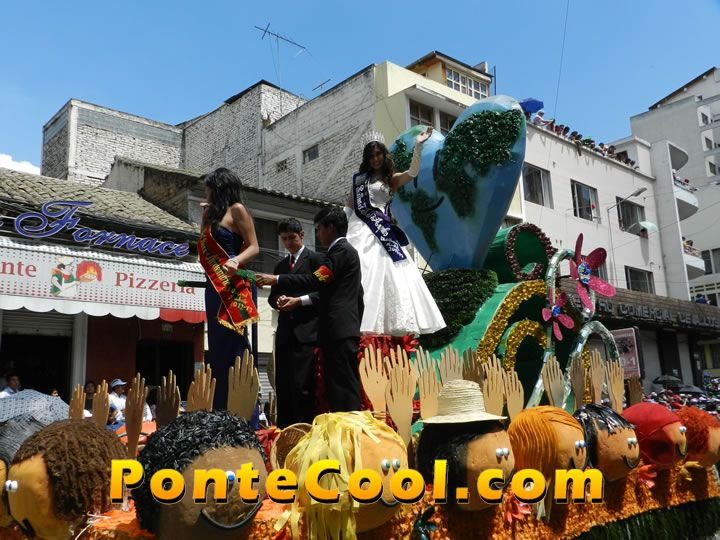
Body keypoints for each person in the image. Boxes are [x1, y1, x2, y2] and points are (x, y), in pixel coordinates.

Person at [256, 207, 364, 412]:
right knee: (333, 385)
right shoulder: (339, 252)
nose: (319, 234)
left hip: (335, 328)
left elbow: (316, 280)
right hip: (331, 329)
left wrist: (277, 280)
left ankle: (349, 424)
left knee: (342, 385)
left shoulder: (340, 252)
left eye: (319, 229)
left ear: (330, 228)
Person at [342, 128, 446, 337]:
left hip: (382, 231)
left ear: (384, 154)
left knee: (390, 274)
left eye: (378, 154)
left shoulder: (392, 180)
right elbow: (350, 206)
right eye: (371, 156)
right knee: (360, 269)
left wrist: (418, 146)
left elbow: (413, 172)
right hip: (359, 229)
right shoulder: (359, 181)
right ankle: (358, 317)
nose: (375, 159)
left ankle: (385, 325)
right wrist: (340, 227)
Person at [199, 167, 260, 410]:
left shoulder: (237, 210)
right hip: (214, 286)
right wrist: (205, 217)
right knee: (216, 347)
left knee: (235, 345)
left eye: (208, 188)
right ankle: (220, 408)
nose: (206, 192)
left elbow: (254, 246)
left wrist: (236, 260)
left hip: (233, 285)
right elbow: (203, 245)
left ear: (219, 188)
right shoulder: (210, 215)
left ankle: (243, 409)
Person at [268, 218, 322, 427]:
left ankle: (304, 428)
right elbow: (272, 296)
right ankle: (284, 430)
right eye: (284, 239)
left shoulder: (316, 260)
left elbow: (323, 293)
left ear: (302, 235)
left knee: (303, 385)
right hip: (285, 332)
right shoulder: (280, 265)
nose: (288, 243)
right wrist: (279, 301)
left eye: (292, 238)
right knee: (283, 384)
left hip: (307, 332)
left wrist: (299, 301)